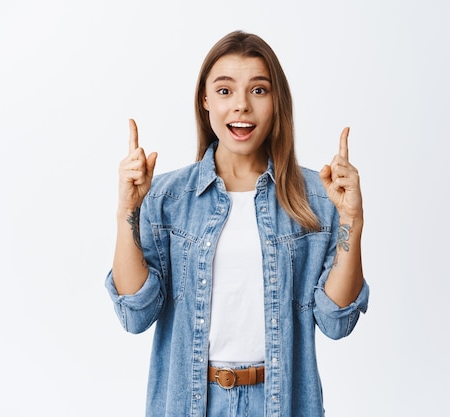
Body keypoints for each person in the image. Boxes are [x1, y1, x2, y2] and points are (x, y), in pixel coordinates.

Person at [105, 30, 369, 417]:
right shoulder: (166, 198)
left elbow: (337, 321)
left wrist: (352, 221)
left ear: (276, 101)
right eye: (225, 91)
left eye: (259, 90)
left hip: (280, 402)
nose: (241, 106)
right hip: (190, 402)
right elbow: (134, 314)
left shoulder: (317, 197)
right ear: (205, 99)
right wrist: (128, 209)